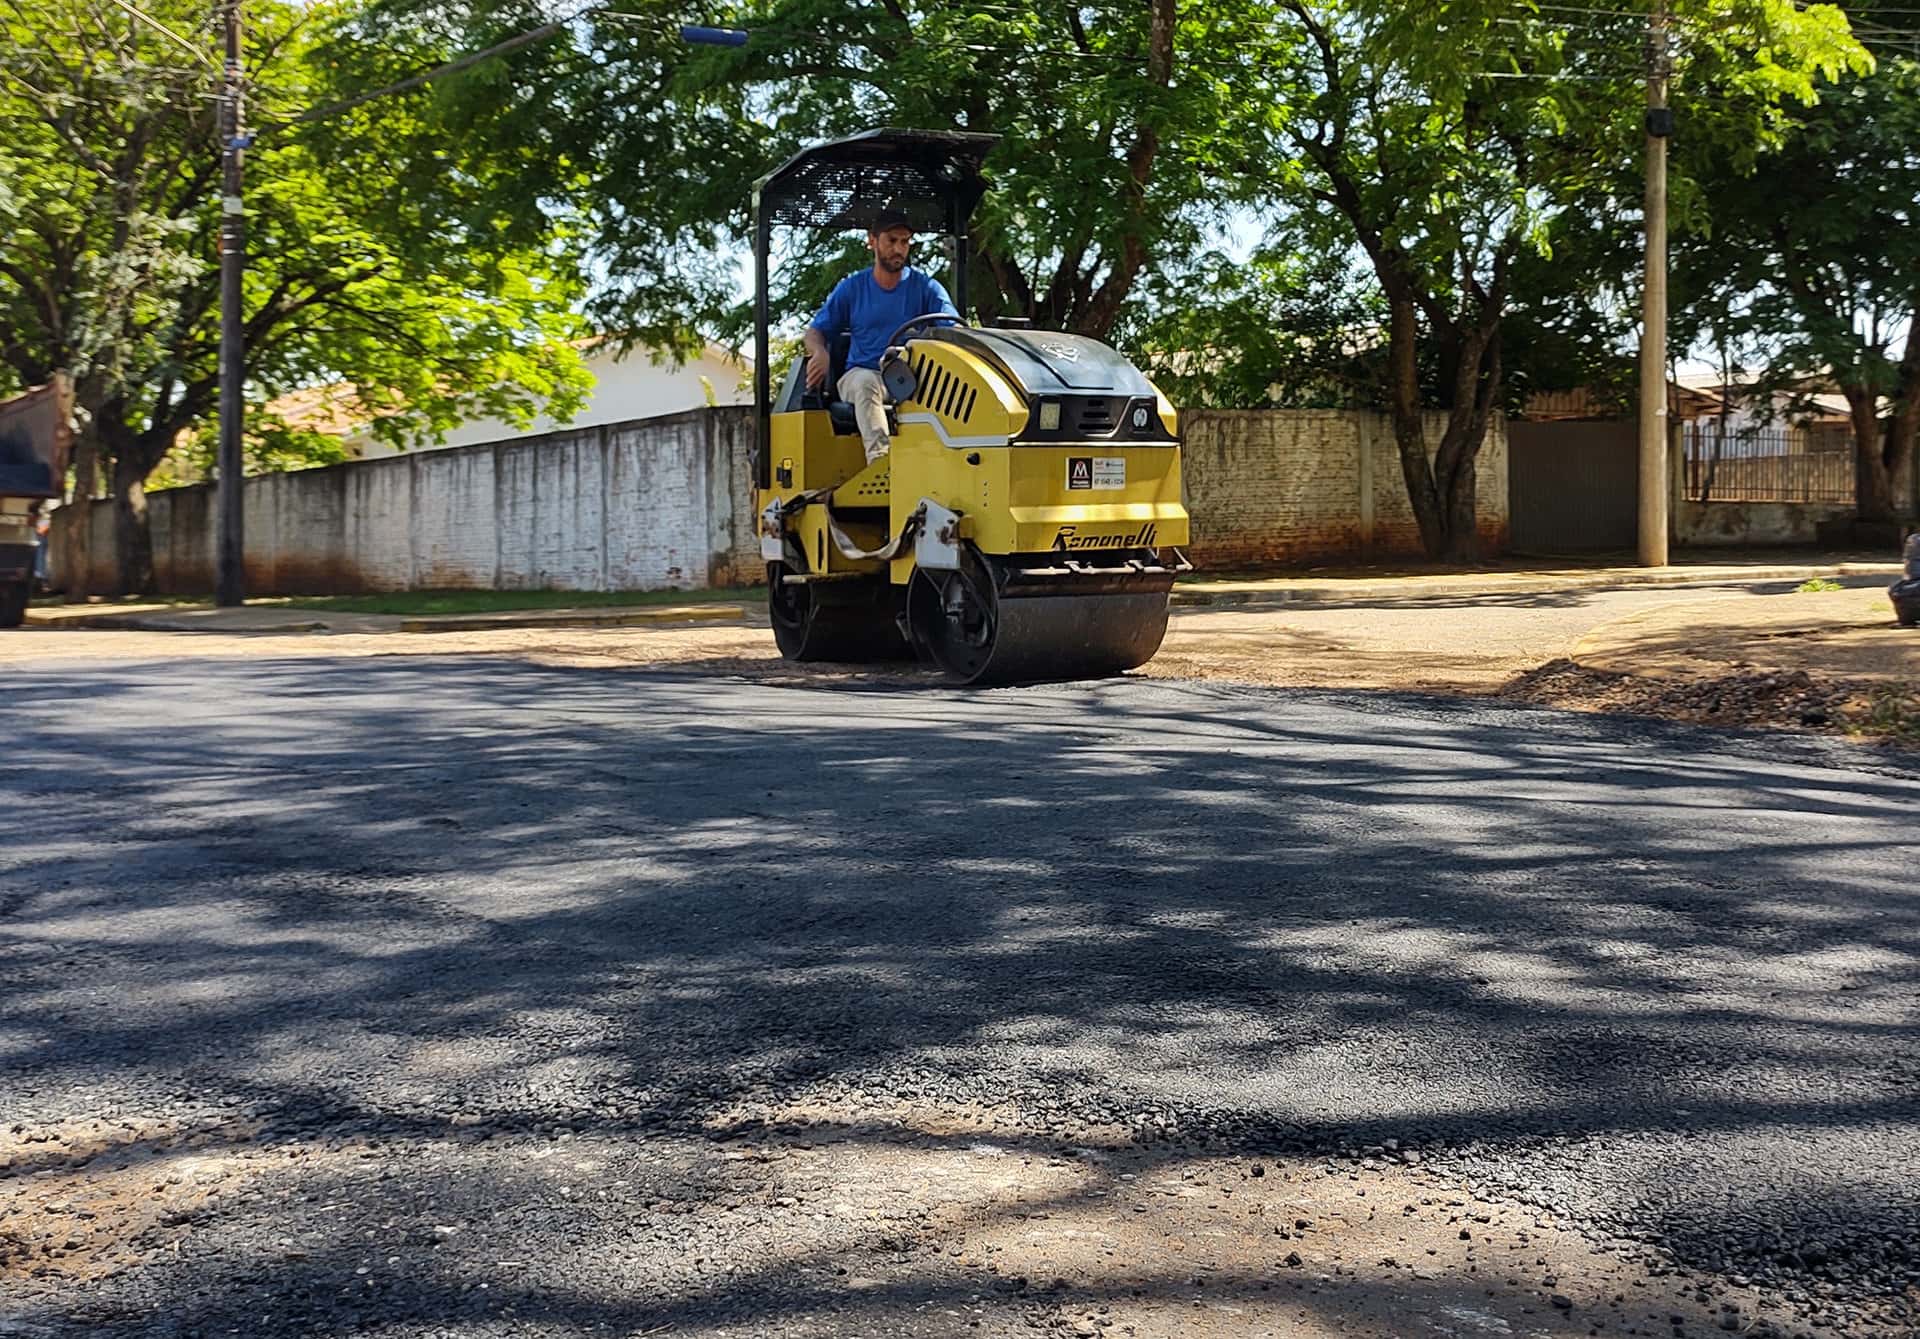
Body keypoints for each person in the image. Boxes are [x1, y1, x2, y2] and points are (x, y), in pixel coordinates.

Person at [803, 207, 957, 464]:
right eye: (892, 241)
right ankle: (882, 464)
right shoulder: (853, 288)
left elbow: (953, 327)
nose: (899, 249)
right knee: (866, 385)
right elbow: (815, 331)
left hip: (908, 378)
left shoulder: (926, 287)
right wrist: (820, 352)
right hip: (862, 374)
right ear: (872, 241)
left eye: (905, 242)